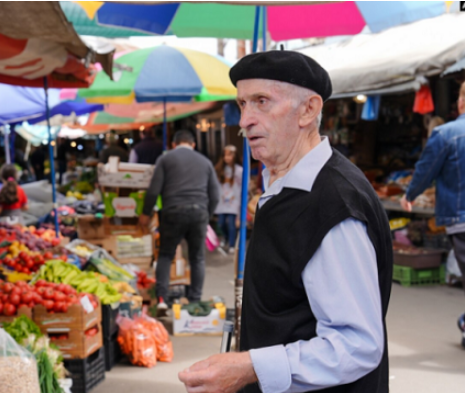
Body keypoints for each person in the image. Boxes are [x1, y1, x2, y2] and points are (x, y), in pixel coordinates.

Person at [179, 51, 393, 393]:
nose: (245, 120)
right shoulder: (287, 185)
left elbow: (357, 345)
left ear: (308, 110)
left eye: (262, 102)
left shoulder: (332, 203)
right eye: (242, 104)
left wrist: (249, 367)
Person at [401, 78, 465, 375]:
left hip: (464, 220)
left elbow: (426, 169)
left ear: (460, 104)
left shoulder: (446, 133)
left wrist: (410, 194)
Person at [138, 130, 220, 309]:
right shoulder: (205, 162)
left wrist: (145, 213)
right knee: (197, 258)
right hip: (199, 212)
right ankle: (195, 301)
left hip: (172, 211)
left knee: (166, 254)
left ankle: (161, 299)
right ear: (193, 145)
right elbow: (215, 195)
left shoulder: (165, 159)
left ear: (173, 145)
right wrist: (207, 215)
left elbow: (153, 190)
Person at [214, 145, 243, 253]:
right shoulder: (219, 169)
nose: (227, 158)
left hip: (234, 201)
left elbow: (243, 186)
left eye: (230, 155)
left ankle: (231, 244)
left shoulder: (240, 170)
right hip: (222, 200)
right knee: (221, 223)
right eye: (225, 155)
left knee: (231, 223)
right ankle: (225, 238)